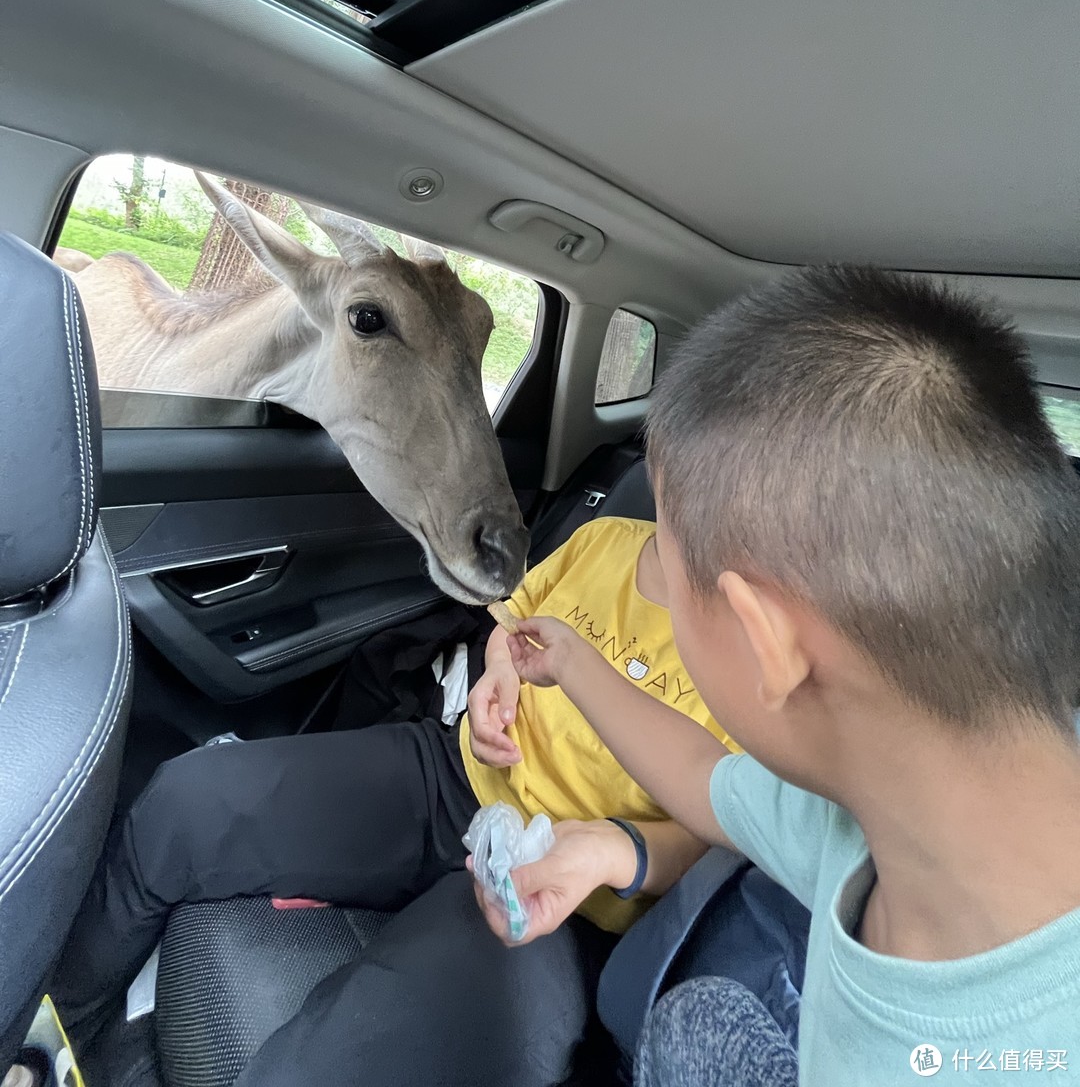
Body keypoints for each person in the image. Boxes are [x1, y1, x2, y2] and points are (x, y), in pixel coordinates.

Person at [478, 266, 1080, 1084]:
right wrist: (575, 662)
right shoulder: (876, 804)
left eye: (677, 583)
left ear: (767, 645)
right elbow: (701, 776)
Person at [53, 513, 739, 1087]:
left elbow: (738, 829)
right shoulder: (609, 539)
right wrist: (497, 675)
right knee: (189, 802)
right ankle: (53, 1030)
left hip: (565, 901)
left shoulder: (761, 647)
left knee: (334, 1063)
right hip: (454, 779)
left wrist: (612, 849)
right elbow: (514, 625)